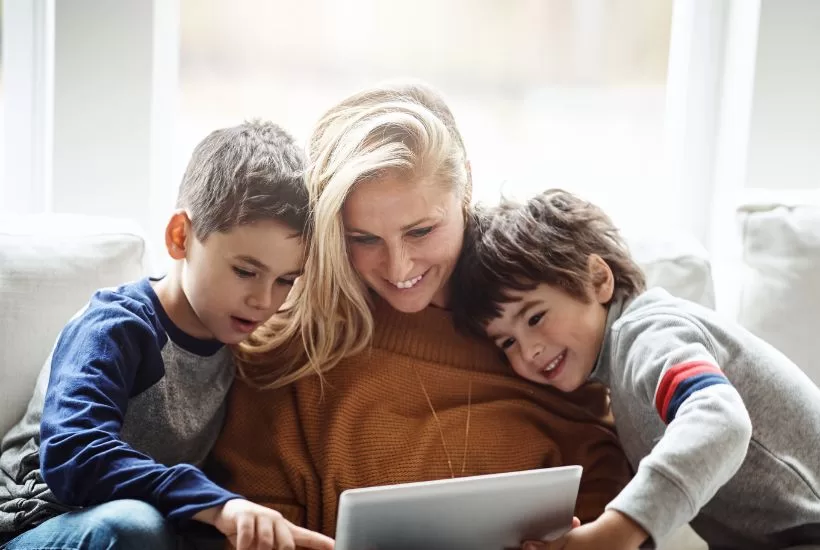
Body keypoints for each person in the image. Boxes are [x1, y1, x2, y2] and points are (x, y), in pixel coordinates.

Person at [208, 81, 633, 540]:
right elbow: (257, 525)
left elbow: (605, 474)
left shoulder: (536, 325)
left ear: (465, 185)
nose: (398, 267)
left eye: (421, 231)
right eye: (364, 239)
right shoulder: (289, 349)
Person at [0, 121, 334, 550]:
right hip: (35, 523)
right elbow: (73, 454)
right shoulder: (117, 325)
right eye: (245, 271)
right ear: (180, 237)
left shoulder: (237, 345)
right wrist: (212, 504)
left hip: (149, 532)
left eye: (286, 280)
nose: (264, 301)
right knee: (133, 525)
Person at [450, 189, 820, 550]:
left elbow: (722, 421)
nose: (529, 351)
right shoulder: (617, 375)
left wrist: (617, 529)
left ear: (598, 279)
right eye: (507, 343)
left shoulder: (647, 334)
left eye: (535, 317)